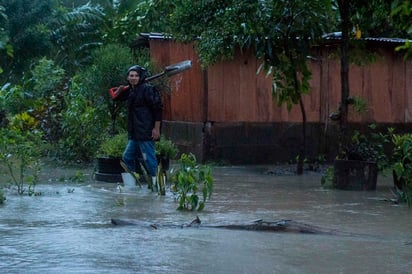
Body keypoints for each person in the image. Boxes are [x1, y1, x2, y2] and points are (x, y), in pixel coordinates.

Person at [110, 65, 163, 191]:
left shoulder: (148, 89)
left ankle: (159, 188)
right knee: (127, 157)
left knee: (149, 160)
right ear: (128, 77)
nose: (133, 78)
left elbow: (158, 109)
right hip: (134, 133)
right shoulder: (130, 90)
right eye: (131, 76)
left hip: (146, 132)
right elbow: (115, 98)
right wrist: (120, 90)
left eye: (136, 76)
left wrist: (156, 129)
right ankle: (131, 187)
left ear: (141, 77)